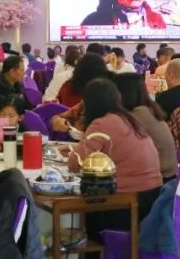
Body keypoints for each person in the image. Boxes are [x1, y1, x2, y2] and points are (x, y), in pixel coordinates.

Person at [63, 78, 162, 216]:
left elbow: (75, 163)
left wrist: (75, 151)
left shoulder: (101, 124)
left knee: (82, 206)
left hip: (126, 202)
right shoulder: (130, 119)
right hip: (153, 198)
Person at [114, 72, 178, 181]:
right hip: (168, 174)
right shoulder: (149, 109)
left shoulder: (138, 115)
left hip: (158, 178)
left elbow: (120, 148)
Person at [51, 53, 113, 133]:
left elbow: (58, 103)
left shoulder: (67, 85)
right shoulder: (102, 92)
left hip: (65, 129)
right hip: (90, 131)